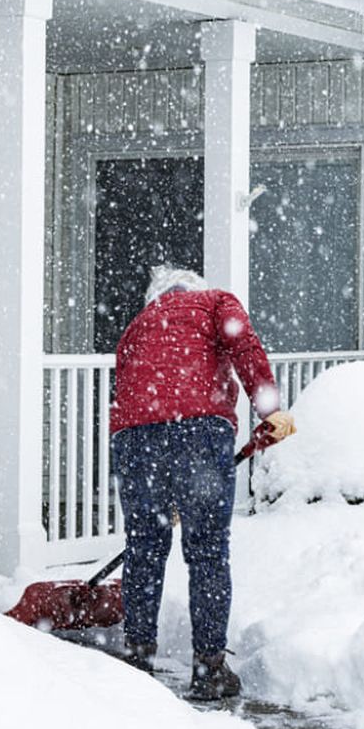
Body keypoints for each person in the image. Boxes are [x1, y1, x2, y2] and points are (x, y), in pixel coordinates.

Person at [109, 265, 295, 700]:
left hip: (135, 439)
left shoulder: (138, 324)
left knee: (145, 547)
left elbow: (130, 389)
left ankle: (137, 657)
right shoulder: (214, 302)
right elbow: (245, 347)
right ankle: (209, 668)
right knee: (207, 551)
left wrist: (155, 469)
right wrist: (269, 411)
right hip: (199, 433)